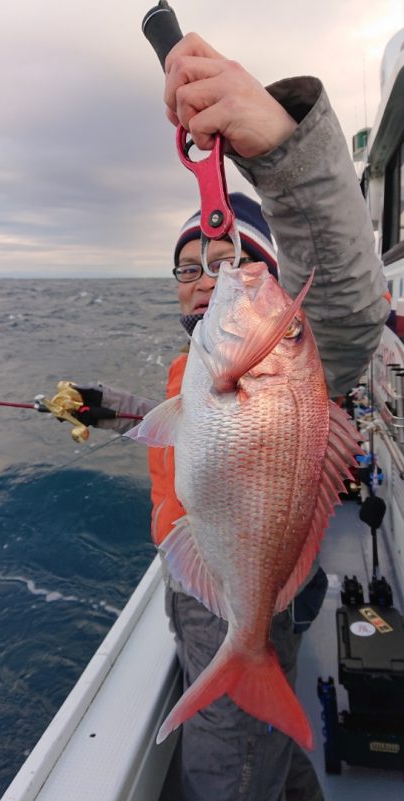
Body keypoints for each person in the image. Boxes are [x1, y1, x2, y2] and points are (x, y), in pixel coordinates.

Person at [68, 32, 389, 801]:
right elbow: (170, 419)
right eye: (190, 266)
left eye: (230, 263)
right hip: (220, 574)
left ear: (275, 288)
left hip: (243, 589)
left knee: (232, 773)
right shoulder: (203, 367)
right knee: (269, 753)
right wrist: (99, 408)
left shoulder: (292, 359)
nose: (205, 279)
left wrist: (283, 147)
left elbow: (345, 307)